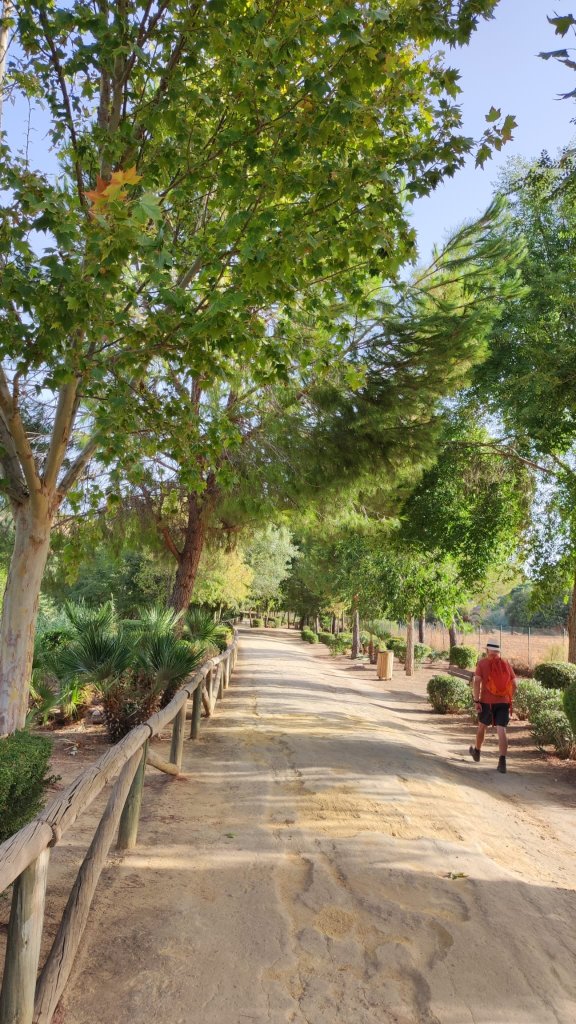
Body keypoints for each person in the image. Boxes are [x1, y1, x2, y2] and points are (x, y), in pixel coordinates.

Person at [469, 640, 516, 773]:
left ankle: (477, 751)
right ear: (499, 651)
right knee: (501, 730)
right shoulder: (506, 663)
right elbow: (515, 684)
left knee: (482, 726)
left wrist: (476, 701)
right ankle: (502, 762)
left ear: (487, 650)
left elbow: (477, 682)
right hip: (504, 702)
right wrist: (509, 698)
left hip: (486, 702)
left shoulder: (482, 663)